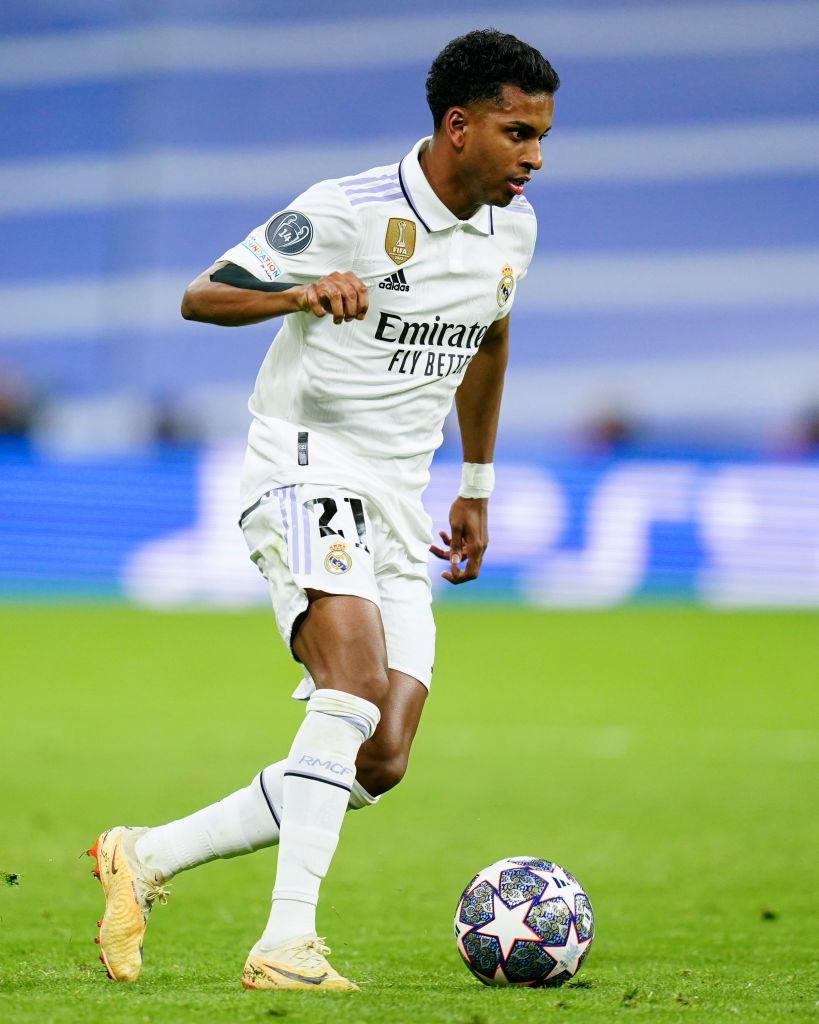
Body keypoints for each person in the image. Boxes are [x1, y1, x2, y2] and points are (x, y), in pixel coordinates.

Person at [88, 28, 558, 991]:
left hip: (400, 494)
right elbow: (201, 296)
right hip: (305, 467)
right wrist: (300, 293)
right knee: (349, 686)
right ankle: (285, 944)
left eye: (542, 137)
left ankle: (146, 854)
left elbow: (488, 340)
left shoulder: (513, 230)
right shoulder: (347, 208)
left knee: (378, 757)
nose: (535, 158)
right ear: (458, 126)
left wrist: (474, 485)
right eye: (517, 134)